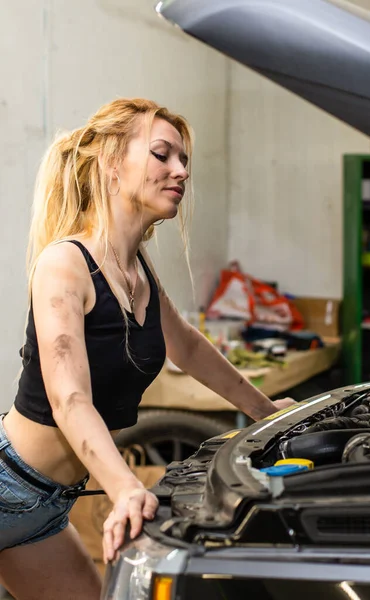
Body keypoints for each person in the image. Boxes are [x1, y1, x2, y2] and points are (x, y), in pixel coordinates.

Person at [0, 98, 295, 599]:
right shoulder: (65, 264)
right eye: (163, 154)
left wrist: (268, 413)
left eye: (184, 160)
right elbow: (68, 399)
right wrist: (125, 488)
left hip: (43, 510)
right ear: (113, 165)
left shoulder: (139, 273)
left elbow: (191, 350)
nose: (180, 170)